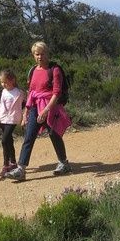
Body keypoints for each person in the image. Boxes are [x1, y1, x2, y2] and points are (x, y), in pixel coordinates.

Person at [5, 42, 72, 182]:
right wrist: (26, 113)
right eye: (37, 54)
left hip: (51, 107)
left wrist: (46, 110)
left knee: (55, 134)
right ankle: (21, 169)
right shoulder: (33, 70)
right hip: (36, 106)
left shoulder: (55, 70)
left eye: (42, 53)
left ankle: (63, 163)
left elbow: (56, 93)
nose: (40, 57)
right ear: (33, 55)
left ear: (47, 54)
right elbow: (31, 92)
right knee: (29, 137)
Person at [0, 69, 26, 178]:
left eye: (5, 82)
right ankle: (13, 163)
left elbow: (29, 103)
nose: (3, 84)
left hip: (13, 120)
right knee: (8, 141)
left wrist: (25, 117)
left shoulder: (20, 93)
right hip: (2, 120)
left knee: (4, 140)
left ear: (13, 80)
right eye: (2, 82)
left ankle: (6, 165)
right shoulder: (0, 93)